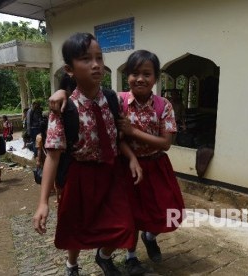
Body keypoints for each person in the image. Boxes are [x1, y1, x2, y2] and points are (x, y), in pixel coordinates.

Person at [32, 32, 142, 276]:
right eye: (85, 59)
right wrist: (43, 202)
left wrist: (132, 158)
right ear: (70, 69)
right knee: (75, 228)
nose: (95, 65)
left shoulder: (113, 99)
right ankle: (72, 265)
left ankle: (103, 256)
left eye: (99, 58)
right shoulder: (63, 109)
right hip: (79, 177)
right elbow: (52, 155)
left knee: (125, 225)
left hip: (111, 173)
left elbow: (116, 138)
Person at [117, 50, 186, 275]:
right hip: (129, 166)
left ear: (156, 78)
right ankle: (131, 257)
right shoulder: (119, 102)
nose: (140, 79)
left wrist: (132, 131)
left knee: (169, 209)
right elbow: (117, 138)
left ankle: (150, 236)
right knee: (133, 214)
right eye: (134, 73)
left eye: (147, 73)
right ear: (127, 76)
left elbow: (165, 143)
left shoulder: (163, 105)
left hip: (157, 165)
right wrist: (61, 91)